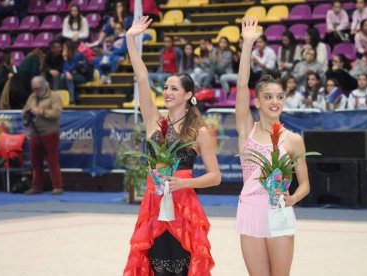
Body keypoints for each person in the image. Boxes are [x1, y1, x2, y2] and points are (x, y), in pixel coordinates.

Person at [123, 16, 221, 276]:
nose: (167, 92)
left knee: (182, 268)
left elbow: (215, 176)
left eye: (174, 88)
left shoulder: (199, 131)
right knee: (156, 270)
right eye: (165, 87)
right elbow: (142, 78)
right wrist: (130, 38)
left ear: (189, 95)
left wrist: (185, 182)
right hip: (153, 207)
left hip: (184, 209)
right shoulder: (154, 122)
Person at [235, 17, 311, 276]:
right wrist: (248, 44)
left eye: (279, 97)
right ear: (257, 102)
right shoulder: (247, 129)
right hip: (249, 211)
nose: (274, 101)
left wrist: (292, 199)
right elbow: (242, 85)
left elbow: (304, 185)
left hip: (278, 212)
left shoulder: (293, 139)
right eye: (268, 97)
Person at [22, 76, 64, 195]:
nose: (35, 91)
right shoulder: (32, 97)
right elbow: (26, 107)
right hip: (34, 132)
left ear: (44, 85)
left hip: (50, 132)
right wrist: (25, 112)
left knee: (52, 159)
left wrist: (41, 112)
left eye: (37, 88)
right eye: (33, 88)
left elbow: (56, 113)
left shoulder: (54, 97)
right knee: (35, 161)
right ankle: (37, 186)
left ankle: (58, 186)